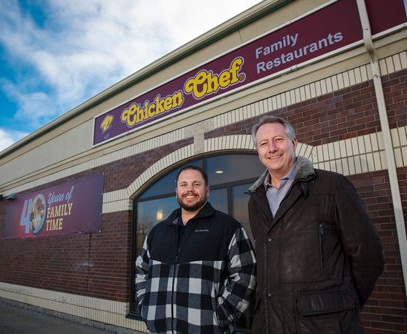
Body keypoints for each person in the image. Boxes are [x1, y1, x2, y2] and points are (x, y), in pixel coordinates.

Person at [248, 115, 384, 334]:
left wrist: (343, 303)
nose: (271, 148)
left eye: (278, 140)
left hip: (324, 325)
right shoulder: (256, 200)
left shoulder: (332, 186)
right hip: (270, 324)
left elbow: (368, 254)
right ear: (258, 151)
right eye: (264, 143)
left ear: (293, 143)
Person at [135, 165, 256, 334]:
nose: (189, 189)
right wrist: (145, 306)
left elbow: (246, 275)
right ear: (176, 190)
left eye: (196, 184)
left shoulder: (228, 228)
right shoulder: (157, 231)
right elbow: (142, 271)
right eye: (183, 184)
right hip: (159, 329)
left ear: (207, 190)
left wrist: (220, 316)